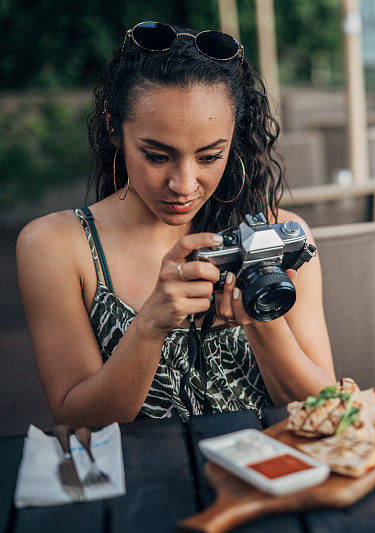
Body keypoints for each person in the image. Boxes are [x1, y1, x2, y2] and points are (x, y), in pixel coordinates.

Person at [16, 22, 335, 427]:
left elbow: (326, 407)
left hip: (274, 475)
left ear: (232, 138)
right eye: (156, 155)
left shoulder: (282, 236)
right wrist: (150, 324)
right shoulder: (55, 246)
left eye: (209, 157)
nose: (183, 185)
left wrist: (261, 321)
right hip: (146, 484)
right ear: (114, 126)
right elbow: (78, 422)